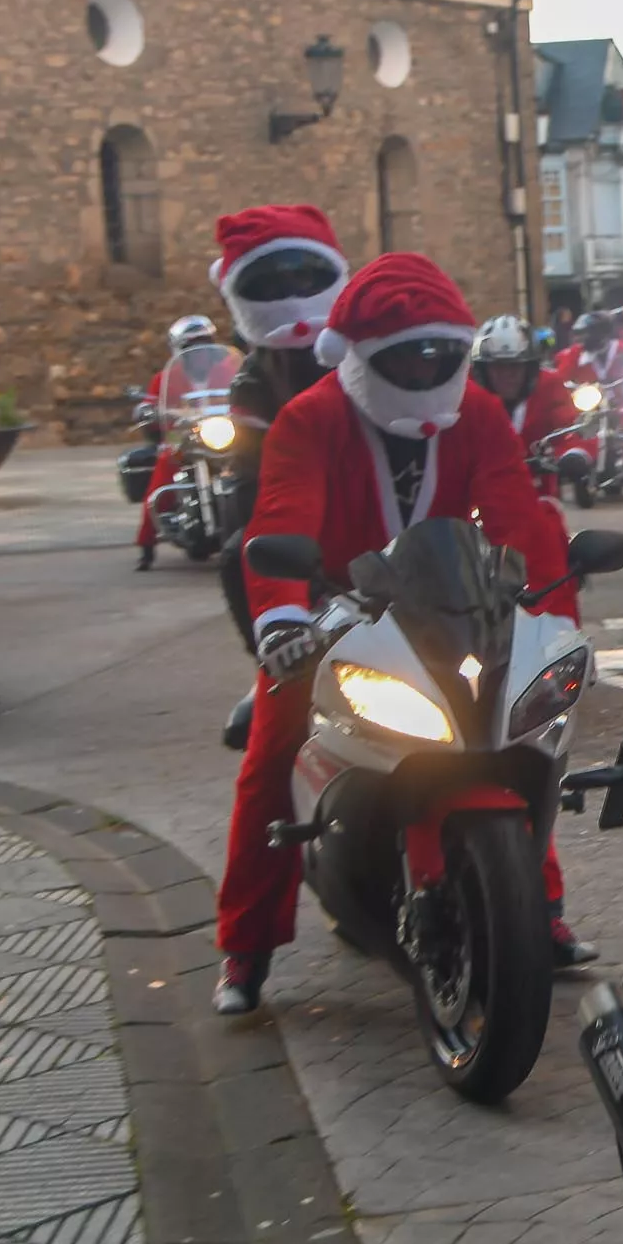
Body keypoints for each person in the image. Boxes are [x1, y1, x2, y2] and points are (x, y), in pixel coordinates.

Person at [211, 253, 585, 1016]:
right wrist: (283, 615)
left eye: (438, 353)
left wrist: (551, 612)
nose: (422, 369)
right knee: (271, 754)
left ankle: (538, 909)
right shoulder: (310, 418)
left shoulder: (477, 413)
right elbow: (281, 515)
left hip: (452, 603)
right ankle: (245, 946)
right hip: (336, 611)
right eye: (404, 356)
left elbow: (518, 514)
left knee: (517, 735)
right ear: (356, 357)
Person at [199, 206, 351, 750]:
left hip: (386, 494)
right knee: (242, 544)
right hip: (299, 509)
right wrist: (277, 526)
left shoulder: (372, 353)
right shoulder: (254, 379)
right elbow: (252, 470)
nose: (291, 290)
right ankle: (271, 670)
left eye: (304, 274)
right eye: (273, 278)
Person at [134, 314, 224, 570]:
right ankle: (146, 543)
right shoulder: (165, 377)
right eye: (192, 346)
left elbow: (244, 390)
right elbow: (152, 403)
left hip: (221, 428)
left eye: (204, 344)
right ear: (180, 350)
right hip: (180, 431)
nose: (200, 353)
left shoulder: (228, 369)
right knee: (166, 461)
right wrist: (148, 410)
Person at [470, 314, 581, 465]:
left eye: (515, 366)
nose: (507, 375)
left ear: (530, 369)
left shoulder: (549, 385)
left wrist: (574, 454)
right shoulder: (468, 392)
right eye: (498, 366)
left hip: (538, 484)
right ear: (482, 370)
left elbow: (571, 430)